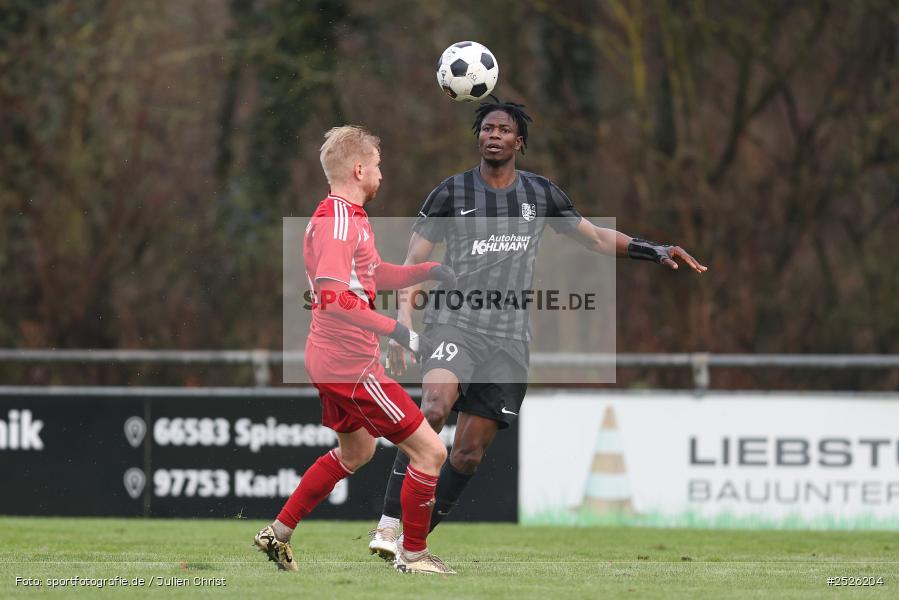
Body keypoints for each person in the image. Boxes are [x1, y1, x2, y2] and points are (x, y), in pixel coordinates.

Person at [368, 99, 707, 559]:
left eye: (504, 129)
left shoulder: (541, 194)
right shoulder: (450, 193)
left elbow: (595, 237)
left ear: (519, 141)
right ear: (478, 137)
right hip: (454, 324)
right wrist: (402, 322)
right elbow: (411, 266)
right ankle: (388, 527)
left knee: (467, 454)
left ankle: (414, 545)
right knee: (432, 407)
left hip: (508, 341)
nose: (493, 135)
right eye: (486, 128)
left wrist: (654, 249)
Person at [253, 125, 458, 575]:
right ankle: (415, 555)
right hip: (350, 362)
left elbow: (371, 275)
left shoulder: (347, 218)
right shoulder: (338, 222)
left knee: (357, 453)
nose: (382, 174)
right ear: (359, 168)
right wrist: (399, 332)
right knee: (431, 453)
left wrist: (430, 269)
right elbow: (330, 297)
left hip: (330, 357)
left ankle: (279, 532)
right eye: (378, 166)